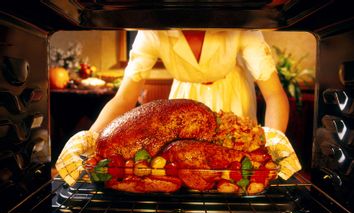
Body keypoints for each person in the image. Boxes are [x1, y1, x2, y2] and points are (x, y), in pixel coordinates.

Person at [56, 29, 289, 185]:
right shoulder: (153, 28)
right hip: (184, 102)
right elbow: (124, 98)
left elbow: (274, 94)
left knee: (232, 177)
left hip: (231, 100)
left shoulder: (241, 20)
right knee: (181, 173)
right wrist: (92, 139)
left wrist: (272, 149)